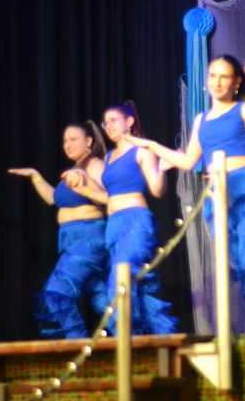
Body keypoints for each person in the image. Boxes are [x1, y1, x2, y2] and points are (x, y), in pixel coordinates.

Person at [125, 56, 245, 335]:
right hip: (218, 194)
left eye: (224, 76)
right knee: (239, 261)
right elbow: (189, 161)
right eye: (212, 75)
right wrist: (151, 145)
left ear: (237, 82)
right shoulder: (201, 119)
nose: (217, 82)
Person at [67, 101, 176, 335]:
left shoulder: (141, 151)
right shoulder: (108, 157)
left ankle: (127, 340)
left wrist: (162, 169)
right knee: (140, 289)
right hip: (114, 227)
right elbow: (109, 197)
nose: (108, 126)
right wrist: (83, 190)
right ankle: (164, 338)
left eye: (113, 120)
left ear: (129, 121)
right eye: (105, 123)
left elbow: (157, 191)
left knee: (121, 281)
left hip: (135, 222)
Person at [9, 121, 110, 338]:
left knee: (57, 292)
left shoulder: (94, 164)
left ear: (88, 141)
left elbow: (108, 197)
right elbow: (53, 198)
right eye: (65, 141)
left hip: (88, 238)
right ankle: (133, 337)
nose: (67, 144)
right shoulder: (73, 171)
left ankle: (78, 345)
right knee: (101, 298)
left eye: (73, 139)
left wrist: (84, 182)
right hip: (70, 241)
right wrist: (35, 176)